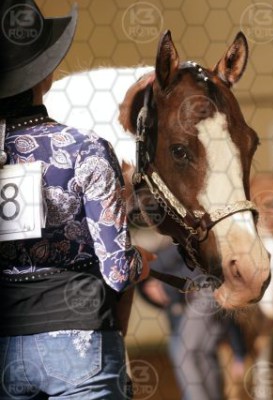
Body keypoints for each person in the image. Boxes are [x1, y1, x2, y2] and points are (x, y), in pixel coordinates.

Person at [0, 1, 154, 399]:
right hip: (78, 342)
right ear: (46, 74)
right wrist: (140, 262)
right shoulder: (84, 149)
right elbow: (117, 271)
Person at [139, 242, 248, 400]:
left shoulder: (163, 259)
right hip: (196, 303)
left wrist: (166, 288)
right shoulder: (172, 305)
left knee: (187, 353)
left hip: (205, 289)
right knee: (185, 351)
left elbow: (203, 265)